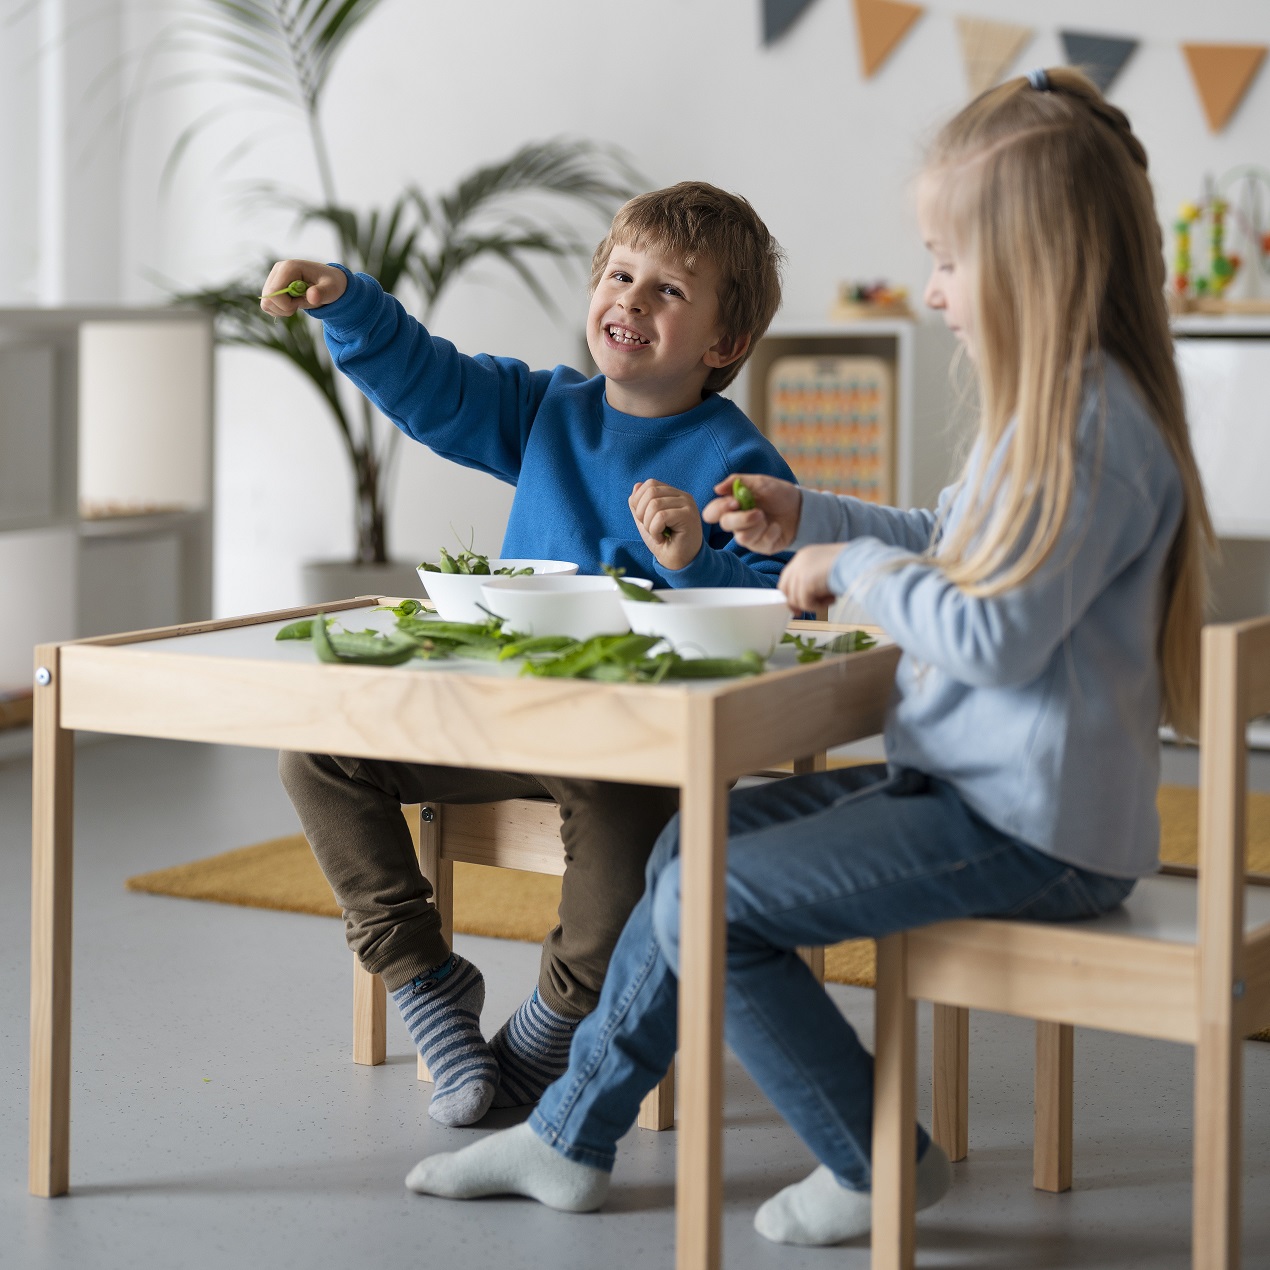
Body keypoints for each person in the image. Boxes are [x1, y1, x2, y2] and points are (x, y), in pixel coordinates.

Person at [400, 68, 1215, 1246]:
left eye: (947, 259)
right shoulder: (1051, 412)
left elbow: (992, 630)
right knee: (695, 843)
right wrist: (811, 519)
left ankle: (870, 1159)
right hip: (972, 793)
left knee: (715, 901)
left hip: (1033, 831)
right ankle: (570, 1132)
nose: (931, 292)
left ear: (1037, 260)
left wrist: (856, 578)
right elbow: (948, 544)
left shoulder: (1093, 431)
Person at [264, 182, 799, 1129]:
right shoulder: (546, 409)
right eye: (621, 276)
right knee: (318, 751)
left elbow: (775, 602)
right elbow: (437, 383)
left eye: (670, 291)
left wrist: (695, 556)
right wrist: (349, 301)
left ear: (724, 344)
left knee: (638, 833)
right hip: (503, 715)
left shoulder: (733, 456)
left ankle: (551, 1022)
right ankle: (427, 980)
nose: (632, 301)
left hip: (626, 746)